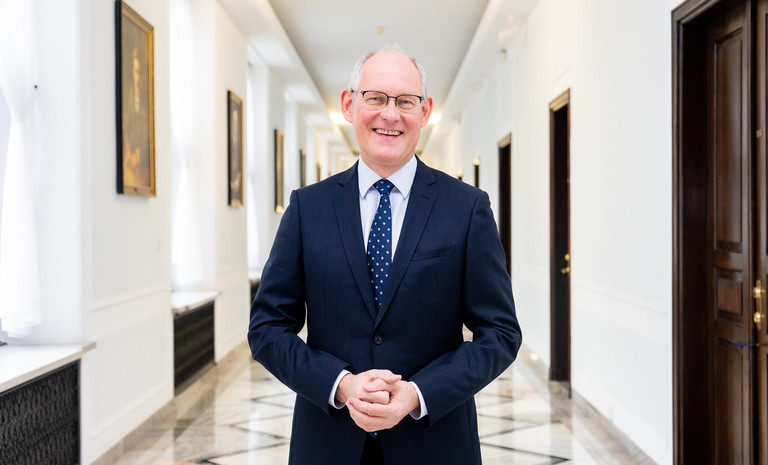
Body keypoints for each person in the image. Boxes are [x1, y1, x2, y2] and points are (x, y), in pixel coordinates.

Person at [248, 45, 522, 465]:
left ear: (425, 111)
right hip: (328, 445)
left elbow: (500, 333)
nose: (390, 114)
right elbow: (267, 327)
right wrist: (340, 385)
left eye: (406, 101)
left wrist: (417, 393)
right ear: (349, 105)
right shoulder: (307, 208)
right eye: (375, 98)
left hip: (435, 445)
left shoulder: (467, 208)